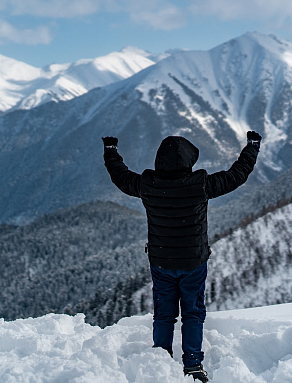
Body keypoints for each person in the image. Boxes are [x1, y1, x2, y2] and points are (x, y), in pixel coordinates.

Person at [102, 131, 261, 382]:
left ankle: (160, 360)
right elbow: (237, 174)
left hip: (161, 261)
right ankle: (193, 365)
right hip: (192, 263)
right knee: (193, 313)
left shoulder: (147, 185)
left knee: (164, 314)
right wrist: (252, 147)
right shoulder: (201, 185)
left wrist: (111, 150)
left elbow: (120, 176)